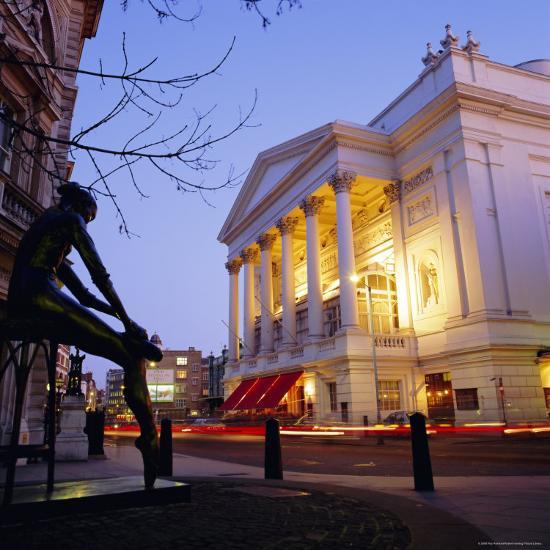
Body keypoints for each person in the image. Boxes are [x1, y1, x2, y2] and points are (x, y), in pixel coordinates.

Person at [7, 182, 161, 487]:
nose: (86, 224)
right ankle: (149, 437)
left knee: (125, 343)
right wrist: (128, 324)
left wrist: (124, 321)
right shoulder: (70, 221)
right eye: (88, 218)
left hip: (29, 294)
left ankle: (149, 435)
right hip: (39, 295)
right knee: (129, 354)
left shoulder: (47, 232)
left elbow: (85, 296)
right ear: (79, 208)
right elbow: (99, 276)